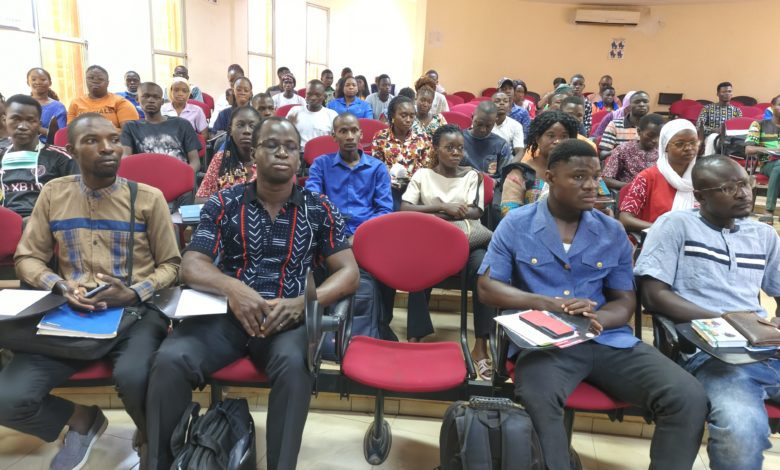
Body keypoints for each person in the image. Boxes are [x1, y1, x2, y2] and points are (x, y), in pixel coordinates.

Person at [477, 138, 709, 470]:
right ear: (551, 178)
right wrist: (547, 303)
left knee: (688, 395)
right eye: (579, 177)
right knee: (539, 399)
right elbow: (487, 288)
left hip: (606, 339)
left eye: (596, 177)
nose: (591, 185)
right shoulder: (517, 224)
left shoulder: (612, 231)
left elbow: (624, 301)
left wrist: (598, 317)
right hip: (545, 344)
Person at [145, 116, 360, 470]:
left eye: (290, 147)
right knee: (170, 360)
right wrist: (234, 289)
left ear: (299, 158)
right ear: (253, 154)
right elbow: (192, 265)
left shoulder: (320, 208)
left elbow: (349, 273)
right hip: (225, 316)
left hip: (286, 318)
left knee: (295, 369)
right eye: (271, 145)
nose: (282, 153)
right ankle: (162, 463)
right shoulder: (223, 202)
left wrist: (304, 303)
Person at [8, 112, 180, 470]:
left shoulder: (148, 198)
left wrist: (134, 292)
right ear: (71, 151)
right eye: (92, 141)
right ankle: (82, 420)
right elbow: (27, 258)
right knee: (7, 399)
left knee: (136, 376)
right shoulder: (54, 193)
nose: (107, 148)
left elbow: (172, 266)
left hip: (133, 314)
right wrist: (59, 284)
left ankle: (151, 439)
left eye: (114, 140)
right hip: (70, 314)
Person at [636, 155, 780, 470]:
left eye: (745, 183)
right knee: (742, 430)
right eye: (728, 188)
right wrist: (725, 320)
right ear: (700, 197)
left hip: (765, 348)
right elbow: (653, 295)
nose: (743, 193)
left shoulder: (763, 235)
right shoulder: (675, 225)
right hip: (709, 353)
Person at [401, 124, 495, 378]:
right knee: (416, 267)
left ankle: (481, 346)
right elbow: (405, 208)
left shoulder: (473, 176)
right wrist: (445, 207)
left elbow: (475, 211)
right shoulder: (423, 175)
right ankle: (415, 337)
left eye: (460, 148)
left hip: (467, 241)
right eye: (449, 147)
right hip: (433, 242)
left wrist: (434, 212)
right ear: (436, 149)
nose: (456, 153)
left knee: (484, 270)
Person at [305, 112, 393, 237]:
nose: (350, 137)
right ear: (334, 136)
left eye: (354, 131)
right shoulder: (321, 165)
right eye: (343, 131)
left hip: (368, 231)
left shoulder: (377, 168)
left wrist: (361, 234)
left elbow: (385, 209)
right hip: (330, 231)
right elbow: (312, 200)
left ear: (361, 134)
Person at [0, 94, 78, 219]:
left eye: (31, 120)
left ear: (39, 124)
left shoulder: (62, 157)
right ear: (5, 120)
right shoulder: (1, 157)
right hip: (6, 224)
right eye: (16, 119)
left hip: (48, 223)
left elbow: (77, 200)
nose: (22, 126)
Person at [619, 119, 699, 235]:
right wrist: (664, 229)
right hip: (658, 238)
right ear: (665, 146)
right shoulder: (647, 177)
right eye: (679, 144)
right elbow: (625, 219)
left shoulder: (702, 177)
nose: (688, 148)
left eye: (693, 142)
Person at [503, 110, 579, 215]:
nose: (557, 141)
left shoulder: (581, 170)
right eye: (551, 136)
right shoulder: (520, 173)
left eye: (564, 136)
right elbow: (508, 212)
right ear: (538, 139)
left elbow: (600, 203)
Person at [120, 82, 201, 174]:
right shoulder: (131, 127)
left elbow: (195, 162)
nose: (151, 100)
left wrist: (183, 177)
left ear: (162, 102)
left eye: (156, 97)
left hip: (178, 177)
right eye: (146, 96)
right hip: (144, 179)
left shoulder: (182, 124)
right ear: (137, 99)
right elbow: (125, 158)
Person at [195, 106, 261, 203]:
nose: (247, 131)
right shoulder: (221, 158)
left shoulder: (268, 160)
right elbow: (201, 198)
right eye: (240, 125)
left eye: (252, 126)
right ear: (230, 131)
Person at [602, 113, 663, 191]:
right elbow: (606, 179)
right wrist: (635, 186)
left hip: (656, 193)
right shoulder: (623, 150)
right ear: (639, 131)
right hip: (628, 193)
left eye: (659, 136)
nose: (655, 140)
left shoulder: (663, 153)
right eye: (650, 135)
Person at [744, 95, 780, 223]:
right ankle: (769, 211)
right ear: (772, 107)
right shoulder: (759, 125)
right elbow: (749, 149)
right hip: (768, 163)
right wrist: (773, 150)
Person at [67, 65, 139, 128]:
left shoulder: (121, 102)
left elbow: (129, 133)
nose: (95, 81)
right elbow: (71, 131)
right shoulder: (75, 103)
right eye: (91, 78)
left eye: (100, 79)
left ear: (108, 83)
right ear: (85, 81)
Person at [462, 100, 511, 179]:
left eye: (488, 126)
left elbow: (505, 176)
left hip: (489, 184)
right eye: (479, 124)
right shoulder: (459, 139)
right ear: (472, 117)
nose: (483, 130)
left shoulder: (501, 145)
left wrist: (495, 181)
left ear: (495, 121)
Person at [286, 80, 338, 149]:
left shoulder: (332, 115)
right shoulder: (295, 111)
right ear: (305, 95)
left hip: (322, 152)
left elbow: (336, 141)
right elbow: (284, 136)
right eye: (309, 94)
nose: (313, 98)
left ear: (324, 97)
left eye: (317, 95)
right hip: (298, 152)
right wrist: (289, 126)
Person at [599, 91, 650, 160]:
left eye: (645, 101)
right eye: (637, 102)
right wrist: (623, 151)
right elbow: (603, 154)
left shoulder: (656, 126)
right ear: (629, 105)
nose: (642, 104)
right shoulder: (615, 125)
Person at [27, 67, 67, 141]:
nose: (38, 82)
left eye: (43, 79)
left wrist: (39, 128)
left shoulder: (59, 107)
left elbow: (60, 135)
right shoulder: (22, 104)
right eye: (33, 79)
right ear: (28, 82)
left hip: (48, 146)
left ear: (50, 83)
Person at [491, 91, 524, 156]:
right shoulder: (482, 122)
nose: (502, 103)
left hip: (506, 159)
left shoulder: (516, 125)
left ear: (509, 106)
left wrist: (513, 162)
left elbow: (519, 151)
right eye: (497, 101)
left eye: (505, 101)